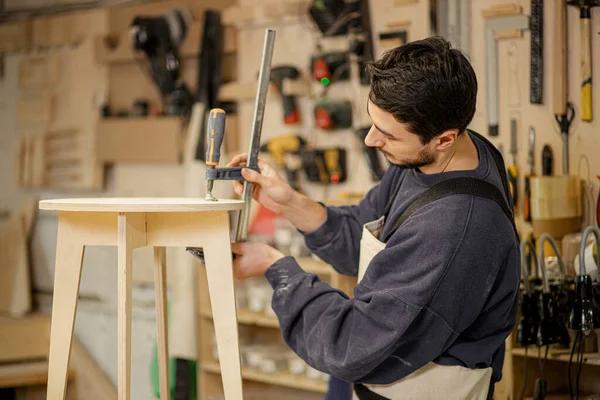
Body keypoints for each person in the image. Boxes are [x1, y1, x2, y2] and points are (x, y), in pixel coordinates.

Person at [227, 36, 520, 400]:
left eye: (387, 134)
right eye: (373, 123)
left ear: (444, 139)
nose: (370, 140)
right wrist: (288, 203)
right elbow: (366, 238)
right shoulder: (439, 154)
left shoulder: (453, 230)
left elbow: (350, 345)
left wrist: (277, 268)